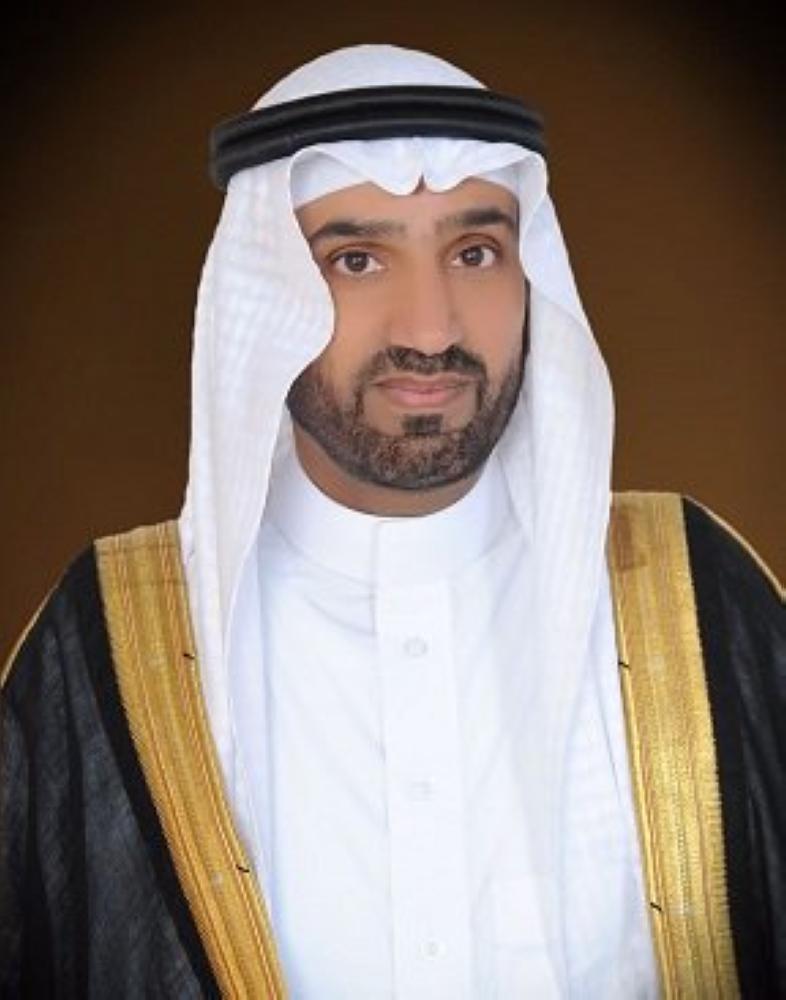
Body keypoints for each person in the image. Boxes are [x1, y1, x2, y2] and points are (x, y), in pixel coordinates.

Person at [1, 44, 783, 999]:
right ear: (264, 293)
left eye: (475, 253)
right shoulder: (111, 642)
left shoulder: (692, 596)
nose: (430, 329)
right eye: (358, 260)